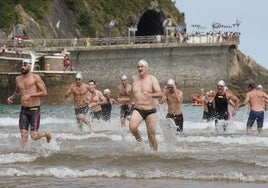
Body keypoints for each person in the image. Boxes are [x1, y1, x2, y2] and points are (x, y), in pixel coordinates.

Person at [7, 59, 52, 147]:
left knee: (34, 136)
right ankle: (25, 155)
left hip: (34, 109)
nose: (22, 67)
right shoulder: (18, 79)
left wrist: (31, 95)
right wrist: (12, 97)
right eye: (22, 65)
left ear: (30, 66)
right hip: (24, 110)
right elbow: (17, 92)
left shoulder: (35, 77)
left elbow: (44, 92)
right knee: (23, 135)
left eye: (25, 65)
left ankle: (47, 133)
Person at [129, 59, 163, 152]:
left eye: (141, 66)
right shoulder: (134, 79)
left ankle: (155, 153)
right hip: (138, 109)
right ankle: (140, 141)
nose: (139, 68)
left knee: (151, 135)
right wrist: (129, 103)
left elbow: (160, 94)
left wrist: (150, 95)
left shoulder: (152, 79)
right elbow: (133, 92)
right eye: (138, 67)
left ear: (146, 68)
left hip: (150, 110)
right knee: (132, 127)